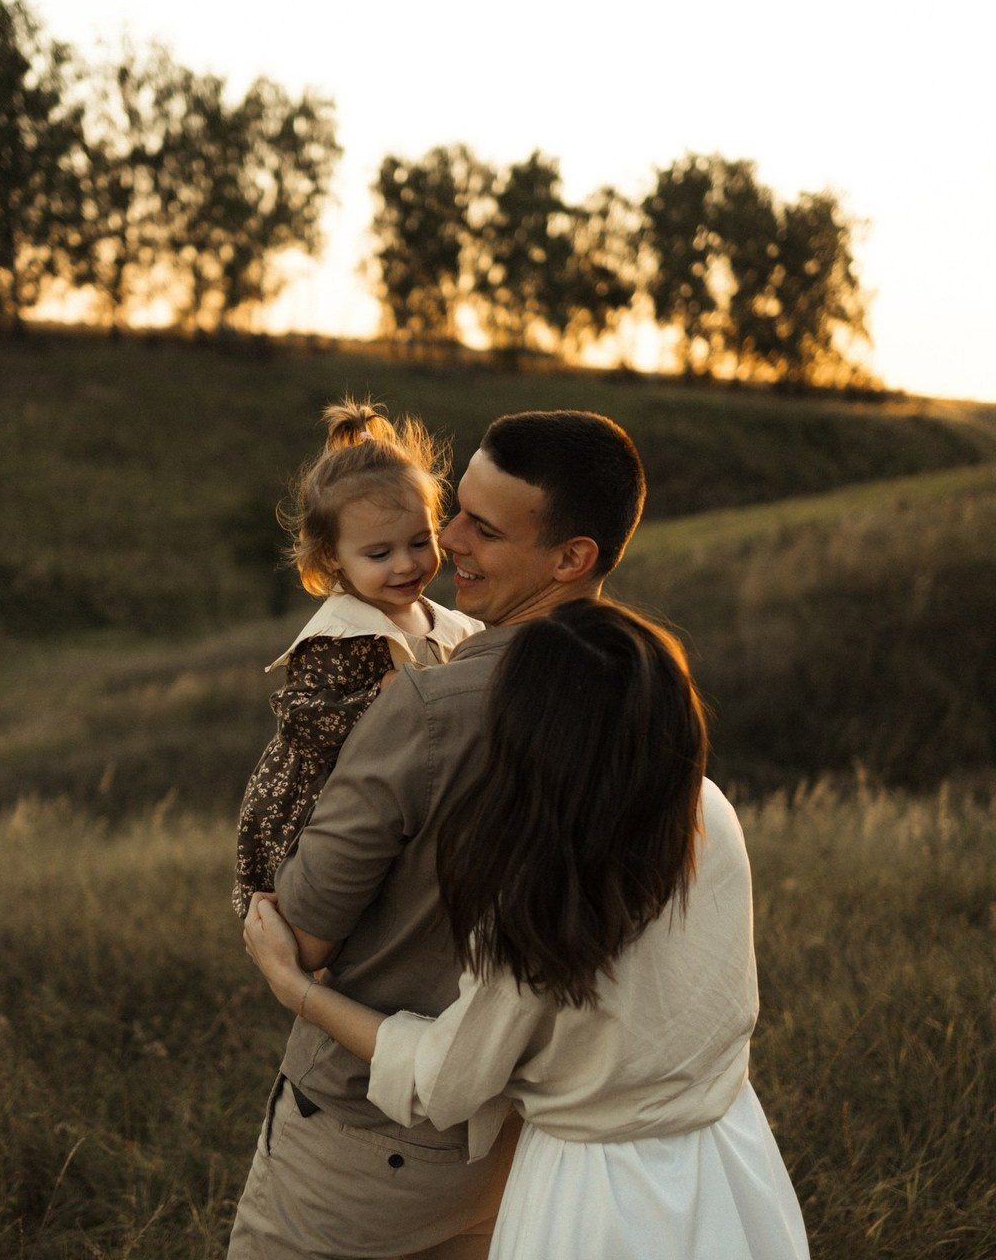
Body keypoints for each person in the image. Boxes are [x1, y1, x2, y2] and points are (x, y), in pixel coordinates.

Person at [245, 599, 810, 1259]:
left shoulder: (542, 892)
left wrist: (298, 991)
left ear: (535, 732)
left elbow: (447, 1078)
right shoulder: (710, 811)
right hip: (729, 1157)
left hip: (595, 1193)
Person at [226, 410, 648, 1259]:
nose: (447, 542)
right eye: (452, 515)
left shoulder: (428, 705)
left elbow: (301, 933)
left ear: (571, 557)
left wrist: (288, 970)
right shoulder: (635, 690)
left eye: (479, 527)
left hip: (362, 1137)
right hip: (512, 1136)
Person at [233, 398, 482, 918]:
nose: (406, 565)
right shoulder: (340, 635)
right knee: (335, 911)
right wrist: (379, 699)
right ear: (332, 557)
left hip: (404, 794)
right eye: (379, 554)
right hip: (326, 807)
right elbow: (300, 718)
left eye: (420, 542)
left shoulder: (449, 623)